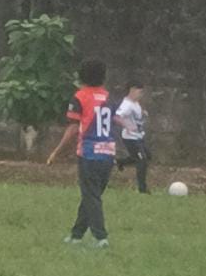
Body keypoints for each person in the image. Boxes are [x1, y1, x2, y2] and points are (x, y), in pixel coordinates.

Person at [47, 58, 115, 247]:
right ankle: (76, 235)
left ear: (82, 76)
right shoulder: (108, 97)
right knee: (91, 195)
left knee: (91, 196)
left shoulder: (80, 97)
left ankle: (101, 237)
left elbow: (73, 129)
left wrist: (56, 152)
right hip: (108, 153)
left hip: (89, 153)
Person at [114, 83, 150, 194]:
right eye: (140, 92)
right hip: (130, 137)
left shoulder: (135, 103)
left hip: (138, 136)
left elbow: (135, 115)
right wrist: (127, 126)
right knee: (142, 161)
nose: (141, 95)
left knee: (147, 156)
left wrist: (143, 113)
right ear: (132, 90)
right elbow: (116, 117)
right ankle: (142, 189)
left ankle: (120, 162)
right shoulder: (126, 105)